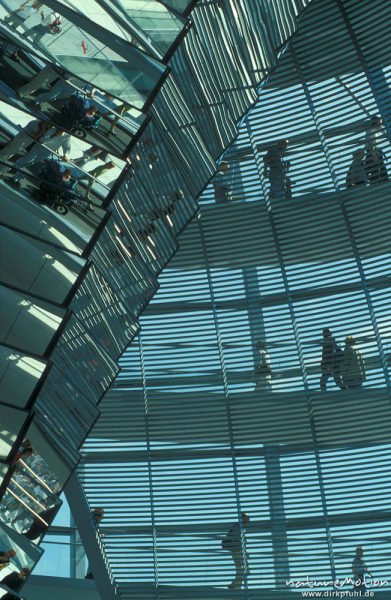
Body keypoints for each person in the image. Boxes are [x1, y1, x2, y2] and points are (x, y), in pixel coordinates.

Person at [221, 512, 250, 589]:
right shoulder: (238, 527)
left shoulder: (241, 528)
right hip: (237, 551)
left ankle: (235, 585)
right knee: (241, 570)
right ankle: (235, 587)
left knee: (245, 570)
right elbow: (237, 540)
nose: (249, 520)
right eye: (247, 518)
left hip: (239, 551)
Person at [85, 508, 104, 579]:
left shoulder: (94, 523)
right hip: (94, 545)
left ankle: (91, 575)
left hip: (94, 545)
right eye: (101, 516)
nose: (102, 519)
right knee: (95, 561)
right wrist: (100, 536)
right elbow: (93, 533)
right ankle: (90, 575)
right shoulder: (93, 522)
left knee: (94, 562)